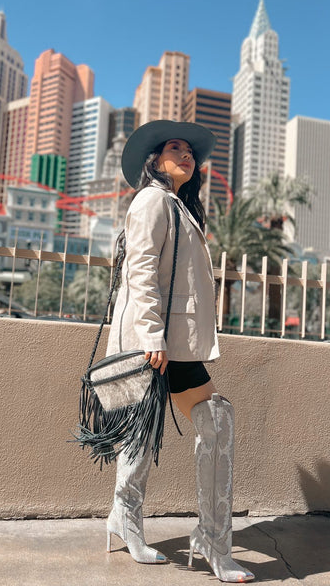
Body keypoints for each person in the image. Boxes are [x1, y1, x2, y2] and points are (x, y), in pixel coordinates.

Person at [105, 120, 255, 583]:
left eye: (190, 151)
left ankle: (206, 538)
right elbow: (140, 270)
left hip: (174, 343)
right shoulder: (151, 200)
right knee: (160, 429)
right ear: (155, 159)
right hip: (155, 342)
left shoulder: (178, 206)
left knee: (207, 422)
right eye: (176, 148)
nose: (187, 155)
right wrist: (152, 336)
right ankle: (132, 520)